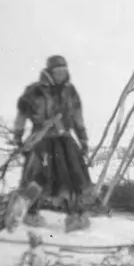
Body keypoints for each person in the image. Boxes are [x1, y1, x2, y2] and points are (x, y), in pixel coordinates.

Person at [12, 55, 94, 231]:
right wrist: (18, 137)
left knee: (74, 177)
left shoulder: (70, 91)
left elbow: (78, 117)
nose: (61, 75)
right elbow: (21, 115)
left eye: (64, 71)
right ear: (49, 72)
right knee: (37, 177)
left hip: (65, 141)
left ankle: (75, 216)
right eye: (57, 72)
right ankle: (29, 213)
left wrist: (83, 139)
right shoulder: (34, 91)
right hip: (42, 141)